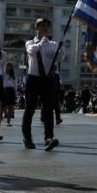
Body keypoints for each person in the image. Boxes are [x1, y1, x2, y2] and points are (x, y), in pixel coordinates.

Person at [24, 18, 61, 150]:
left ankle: (49, 137)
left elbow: (58, 58)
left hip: (47, 79)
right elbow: (31, 51)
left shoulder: (53, 44)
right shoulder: (30, 42)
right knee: (30, 109)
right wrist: (40, 44)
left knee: (48, 109)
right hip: (33, 78)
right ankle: (27, 137)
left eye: (47, 26)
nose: (45, 28)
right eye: (42, 26)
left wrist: (59, 52)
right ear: (37, 28)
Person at [2, 62, 16, 127]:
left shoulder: (12, 75)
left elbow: (15, 85)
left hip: (11, 91)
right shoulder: (3, 74)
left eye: (10, 67)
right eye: (7, 66)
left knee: (10, 107)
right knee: (2, 107)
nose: (8, 68)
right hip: (4, 90)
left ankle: (8, 121)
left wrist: (15, 93)